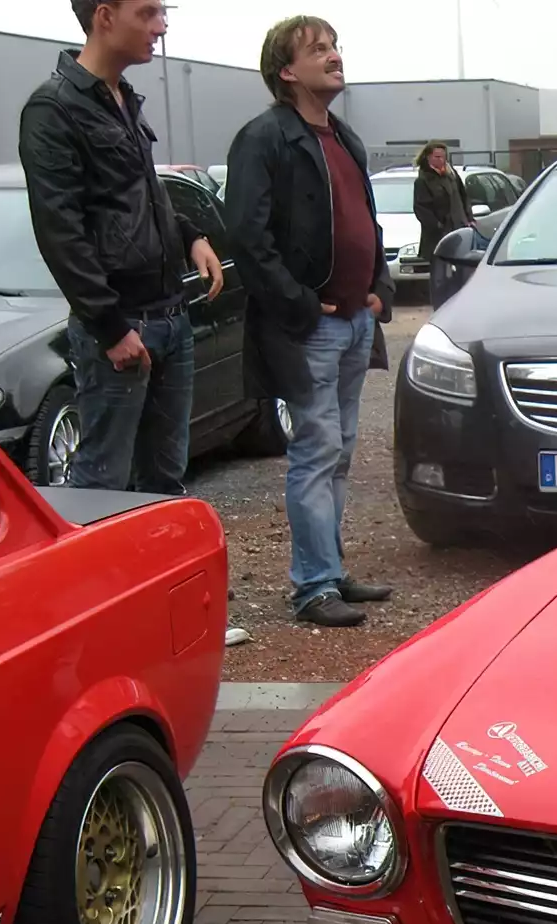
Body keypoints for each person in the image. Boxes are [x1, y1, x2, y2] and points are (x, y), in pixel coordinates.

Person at [224, 15, 394, 628]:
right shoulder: (264, 138)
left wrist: (379, 288)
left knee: (340, 451)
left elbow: (366, 221)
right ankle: (314, 587)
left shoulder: (344, 138)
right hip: (310, 327)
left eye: (335, 46)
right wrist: (297, 301)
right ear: (287, 71)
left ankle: (330, 568)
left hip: (355, 322)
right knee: (316, 451)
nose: (333, 55)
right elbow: (248, 235)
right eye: (318, 49)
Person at [18, 0, 225, 497]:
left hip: (170, 315)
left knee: (163, 482)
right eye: (148, 13)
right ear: (105, 16)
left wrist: (190, 235)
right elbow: (59, 231)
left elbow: (140, 192)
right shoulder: (54, 109)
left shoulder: (123, 97)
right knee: (102, 485)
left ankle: (155, 552)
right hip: (121, 327)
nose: (161, 26)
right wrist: (110, 327)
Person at [413, 142, 470, 261]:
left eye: (443, 157)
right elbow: (421, 208)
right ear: (428, 157)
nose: (441, 160)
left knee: (461, 264)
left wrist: (469, 218)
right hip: (438, 234)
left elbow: (463, 196)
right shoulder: (424, 180)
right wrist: (437, 225)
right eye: (437, 157)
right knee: (439, 266)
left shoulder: (452, 175)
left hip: (459, 228)